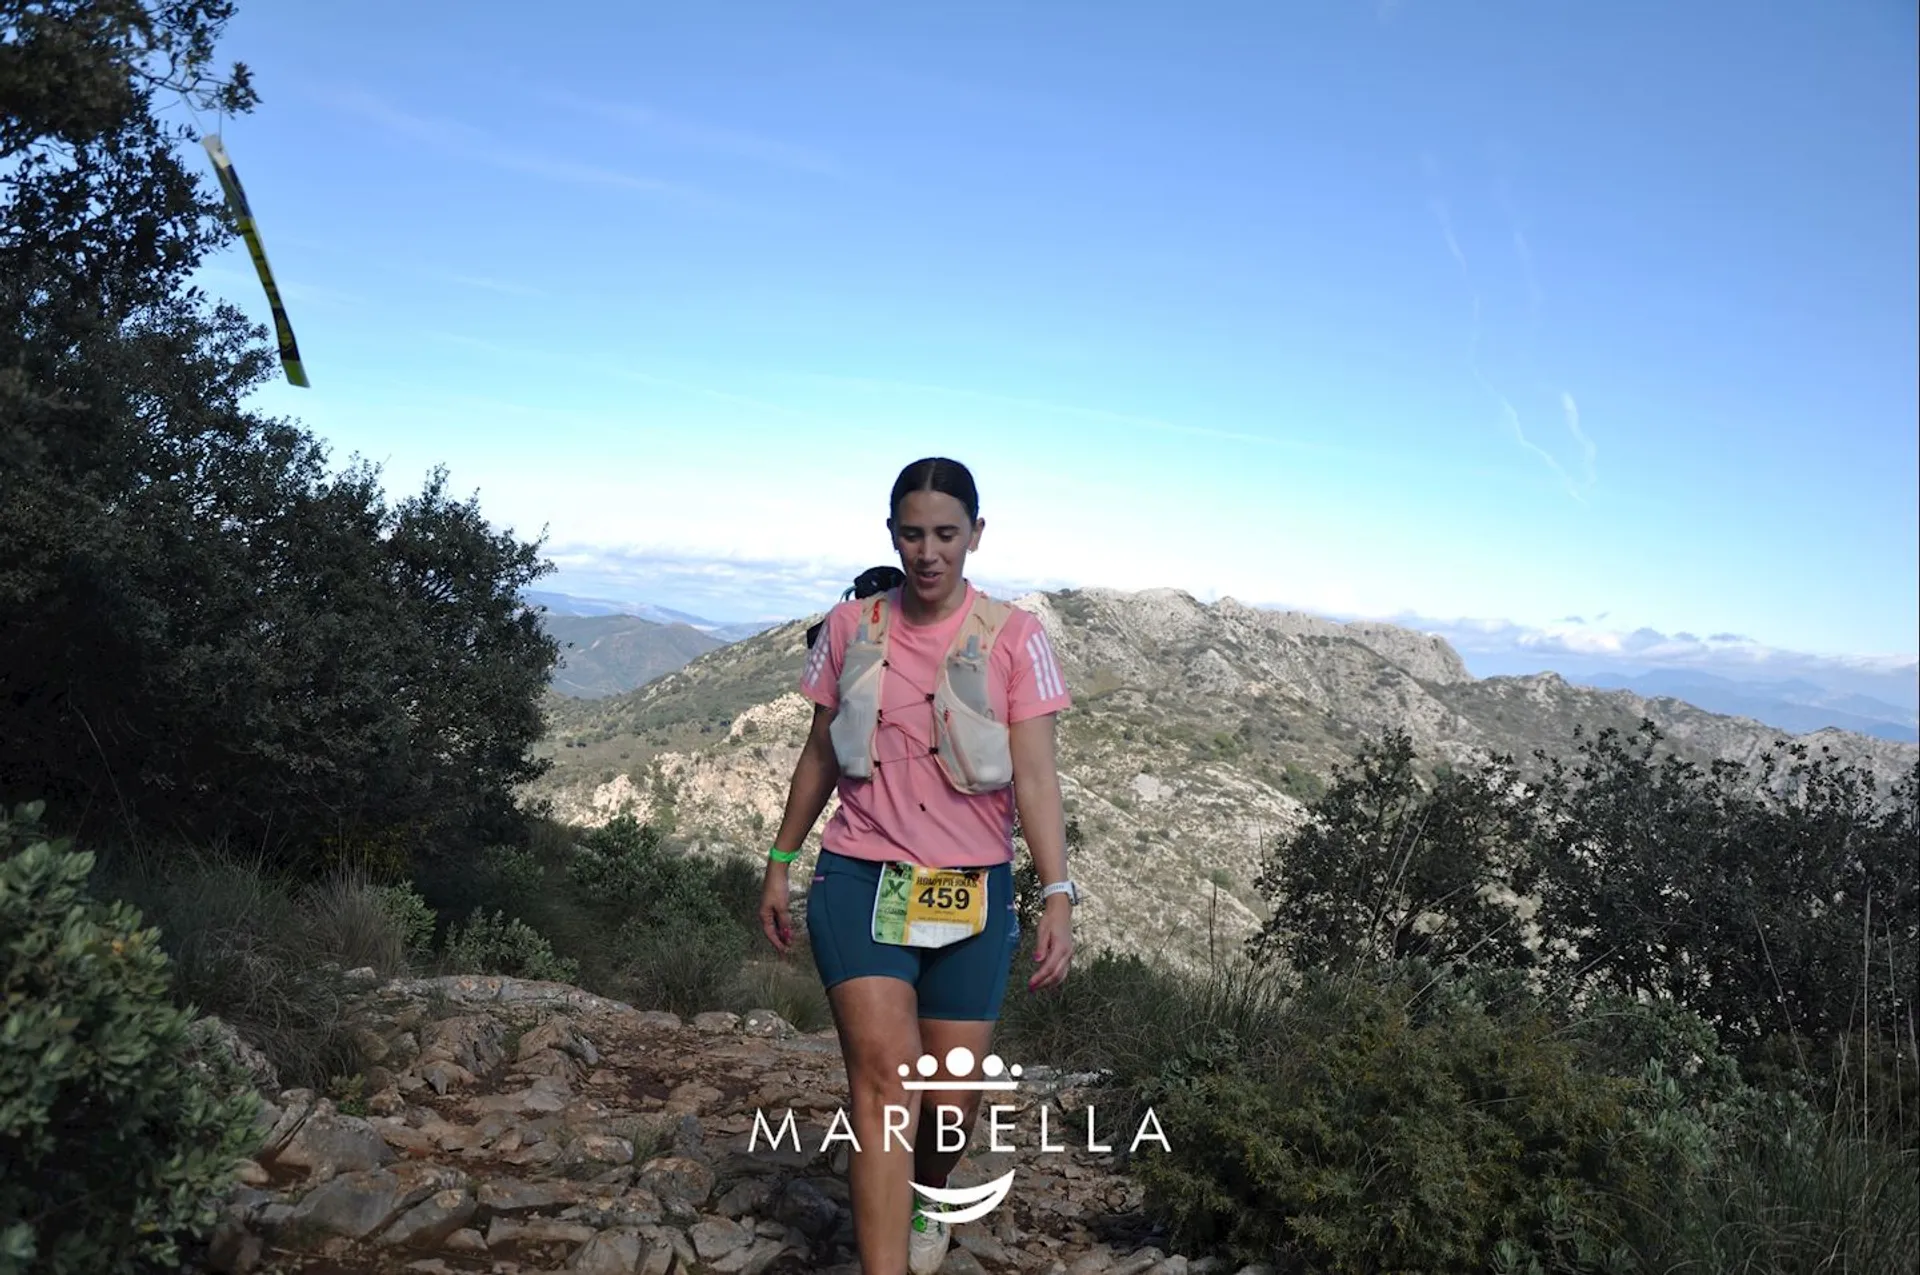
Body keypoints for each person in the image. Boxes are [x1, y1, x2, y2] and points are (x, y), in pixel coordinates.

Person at [759, 457, 1079, 1275]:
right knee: (884, 1083)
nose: (928, 551)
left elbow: (1037, 777)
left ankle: (927, 1191)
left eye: (945, 533)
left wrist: (1056, 892)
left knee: (948, 1109)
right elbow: (818, 754)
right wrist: (781, 859)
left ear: (976, 534)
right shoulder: (849, 628)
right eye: (912, 534)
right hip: (859, 878)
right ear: (891, 534)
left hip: (972, 891)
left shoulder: (1015, 638)